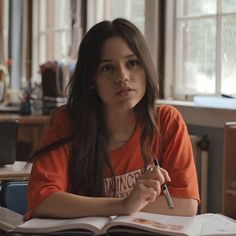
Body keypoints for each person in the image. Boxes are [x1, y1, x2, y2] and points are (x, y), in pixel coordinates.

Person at [25, 18, 199, 220]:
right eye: (107, 68)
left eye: (132, 63)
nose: (123, 76)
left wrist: (129, 206)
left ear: (146, 69)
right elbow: (43, 200)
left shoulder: (167, 121)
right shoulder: (68, 122)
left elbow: (185, 204)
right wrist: (123, 205)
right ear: (91, 79)